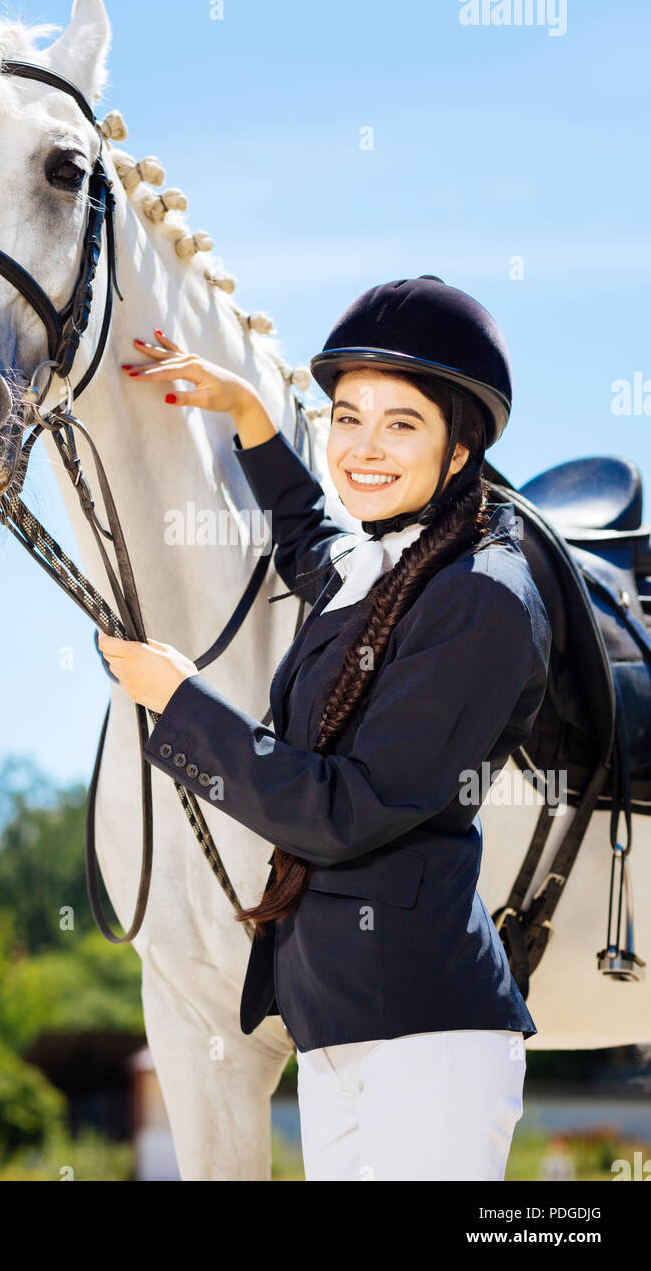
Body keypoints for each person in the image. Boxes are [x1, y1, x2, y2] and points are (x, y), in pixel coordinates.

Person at [97, 275, 552, 1181]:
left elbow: (343, 812)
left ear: (462, 450)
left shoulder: (480, 601)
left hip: (429, 1044)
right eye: (348, 418)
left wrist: (180, 704)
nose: (364, 449)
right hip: (336, 1034)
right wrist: (248, 414)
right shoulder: (393, 563)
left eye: (401, 424)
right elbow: (311, 538)